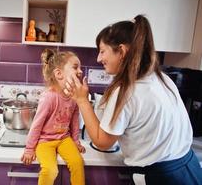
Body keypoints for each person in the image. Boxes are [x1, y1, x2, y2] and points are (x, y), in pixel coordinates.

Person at [64, 15, 202, 185]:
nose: (99, 58)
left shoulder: (126, 91)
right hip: (190, 166)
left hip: (164, 178)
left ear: (121, 51)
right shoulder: (161, 78)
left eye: (102, 51)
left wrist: (82, 100)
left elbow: (102, 142)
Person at [21, 48, 86, 185]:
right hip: (45, 141)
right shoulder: (49, 97)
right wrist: (29, 149)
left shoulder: (74, 96)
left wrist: (76, 141)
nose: (80, 71)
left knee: (78, 163)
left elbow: (74, 120)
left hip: (63, 138)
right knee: (51, 170)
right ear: (59, 74)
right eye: (75, 67)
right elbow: (36, 125)